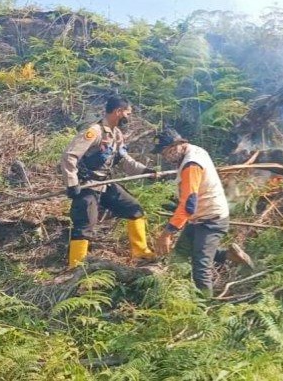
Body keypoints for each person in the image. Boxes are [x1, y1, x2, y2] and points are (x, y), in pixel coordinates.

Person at [152, 128, 253, 295]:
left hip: (211, 219)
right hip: (197, 217)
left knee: (201, 266)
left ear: (176, 145)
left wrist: (167, 233)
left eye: (165, 151)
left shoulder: (192, 164)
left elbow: (188, 205)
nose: (164, 156)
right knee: (180, 255)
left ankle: (203, 308)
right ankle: (175, 294)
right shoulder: (192, 151)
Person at [61, 96, 157, 268]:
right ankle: (75, 268)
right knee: (85, 226)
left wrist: (144, 171)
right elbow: (70, 155)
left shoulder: (117, 134)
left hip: (106, 183)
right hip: (87, 185)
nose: (129, 117)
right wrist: (72, 182)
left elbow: (124, 159)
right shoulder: (95, 131)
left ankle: (141, 252)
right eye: (128, 113)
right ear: (118, 112)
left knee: (134, 209)